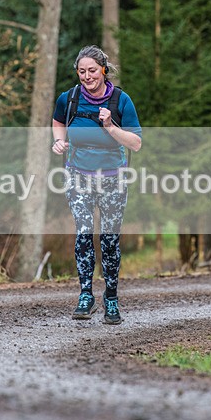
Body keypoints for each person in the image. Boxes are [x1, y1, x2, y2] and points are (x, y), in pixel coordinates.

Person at [51, 45, 142, 325]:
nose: (87, 76)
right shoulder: (70, 98)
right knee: (83, 234)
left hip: (113, 179)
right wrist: (59, 141)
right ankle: (86, 295)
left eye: (92, 70)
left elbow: (136, 144)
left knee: (110, 240)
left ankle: (111, 298)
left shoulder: (121, 100)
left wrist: (110, 127)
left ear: (103, 69)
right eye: (82, 72)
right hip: (77, 176)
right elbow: (57, 122)